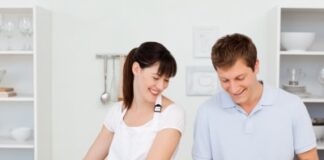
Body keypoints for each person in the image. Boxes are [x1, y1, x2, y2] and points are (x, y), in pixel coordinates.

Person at [192, 33, 319, 160]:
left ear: (256, 66)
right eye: (224, 80)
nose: (233, 88)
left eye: (240, 78)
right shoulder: (207, 112)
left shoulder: (292, 106)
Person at [84, 42, 185, 160]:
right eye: (156, 78)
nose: (161, 86)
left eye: (166, 80)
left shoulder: (171, 113)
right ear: (136, 69)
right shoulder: (117, 112)